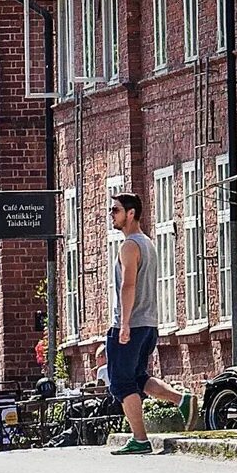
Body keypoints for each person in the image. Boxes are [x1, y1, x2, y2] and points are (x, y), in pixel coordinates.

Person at [105, 189, 180, 455]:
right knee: (138, 378)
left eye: (115, 210)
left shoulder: (129, 246)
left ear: (131, 213)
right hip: (149, 324)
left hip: (132, 324)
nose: (111, 215)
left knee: (121, 383)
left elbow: (128, 285)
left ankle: (140, 438)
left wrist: (123, 325)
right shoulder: (148, 243)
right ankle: (181, 401)